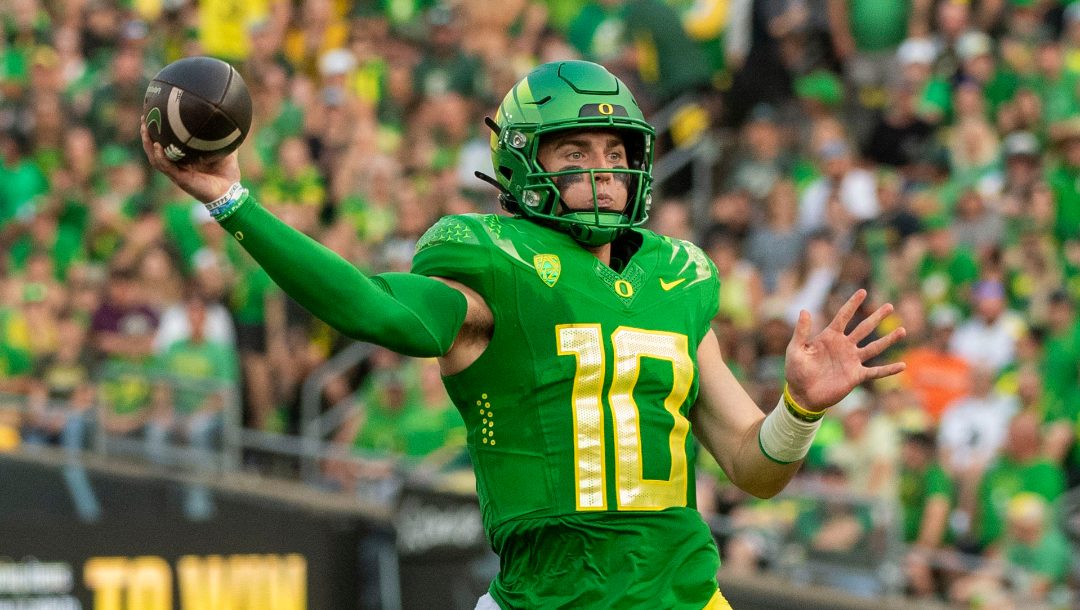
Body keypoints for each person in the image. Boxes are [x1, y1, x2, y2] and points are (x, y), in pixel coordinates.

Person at [144, 60, 906, 610]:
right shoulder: (491, 264)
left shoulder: (678, 279)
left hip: (682, 595)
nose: (603, 173)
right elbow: (373, 308)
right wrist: (232, 201)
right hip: (549, 601)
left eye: (616, 155)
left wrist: (799, 410)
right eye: (574, 154)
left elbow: (754, 466)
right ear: (519, 164)